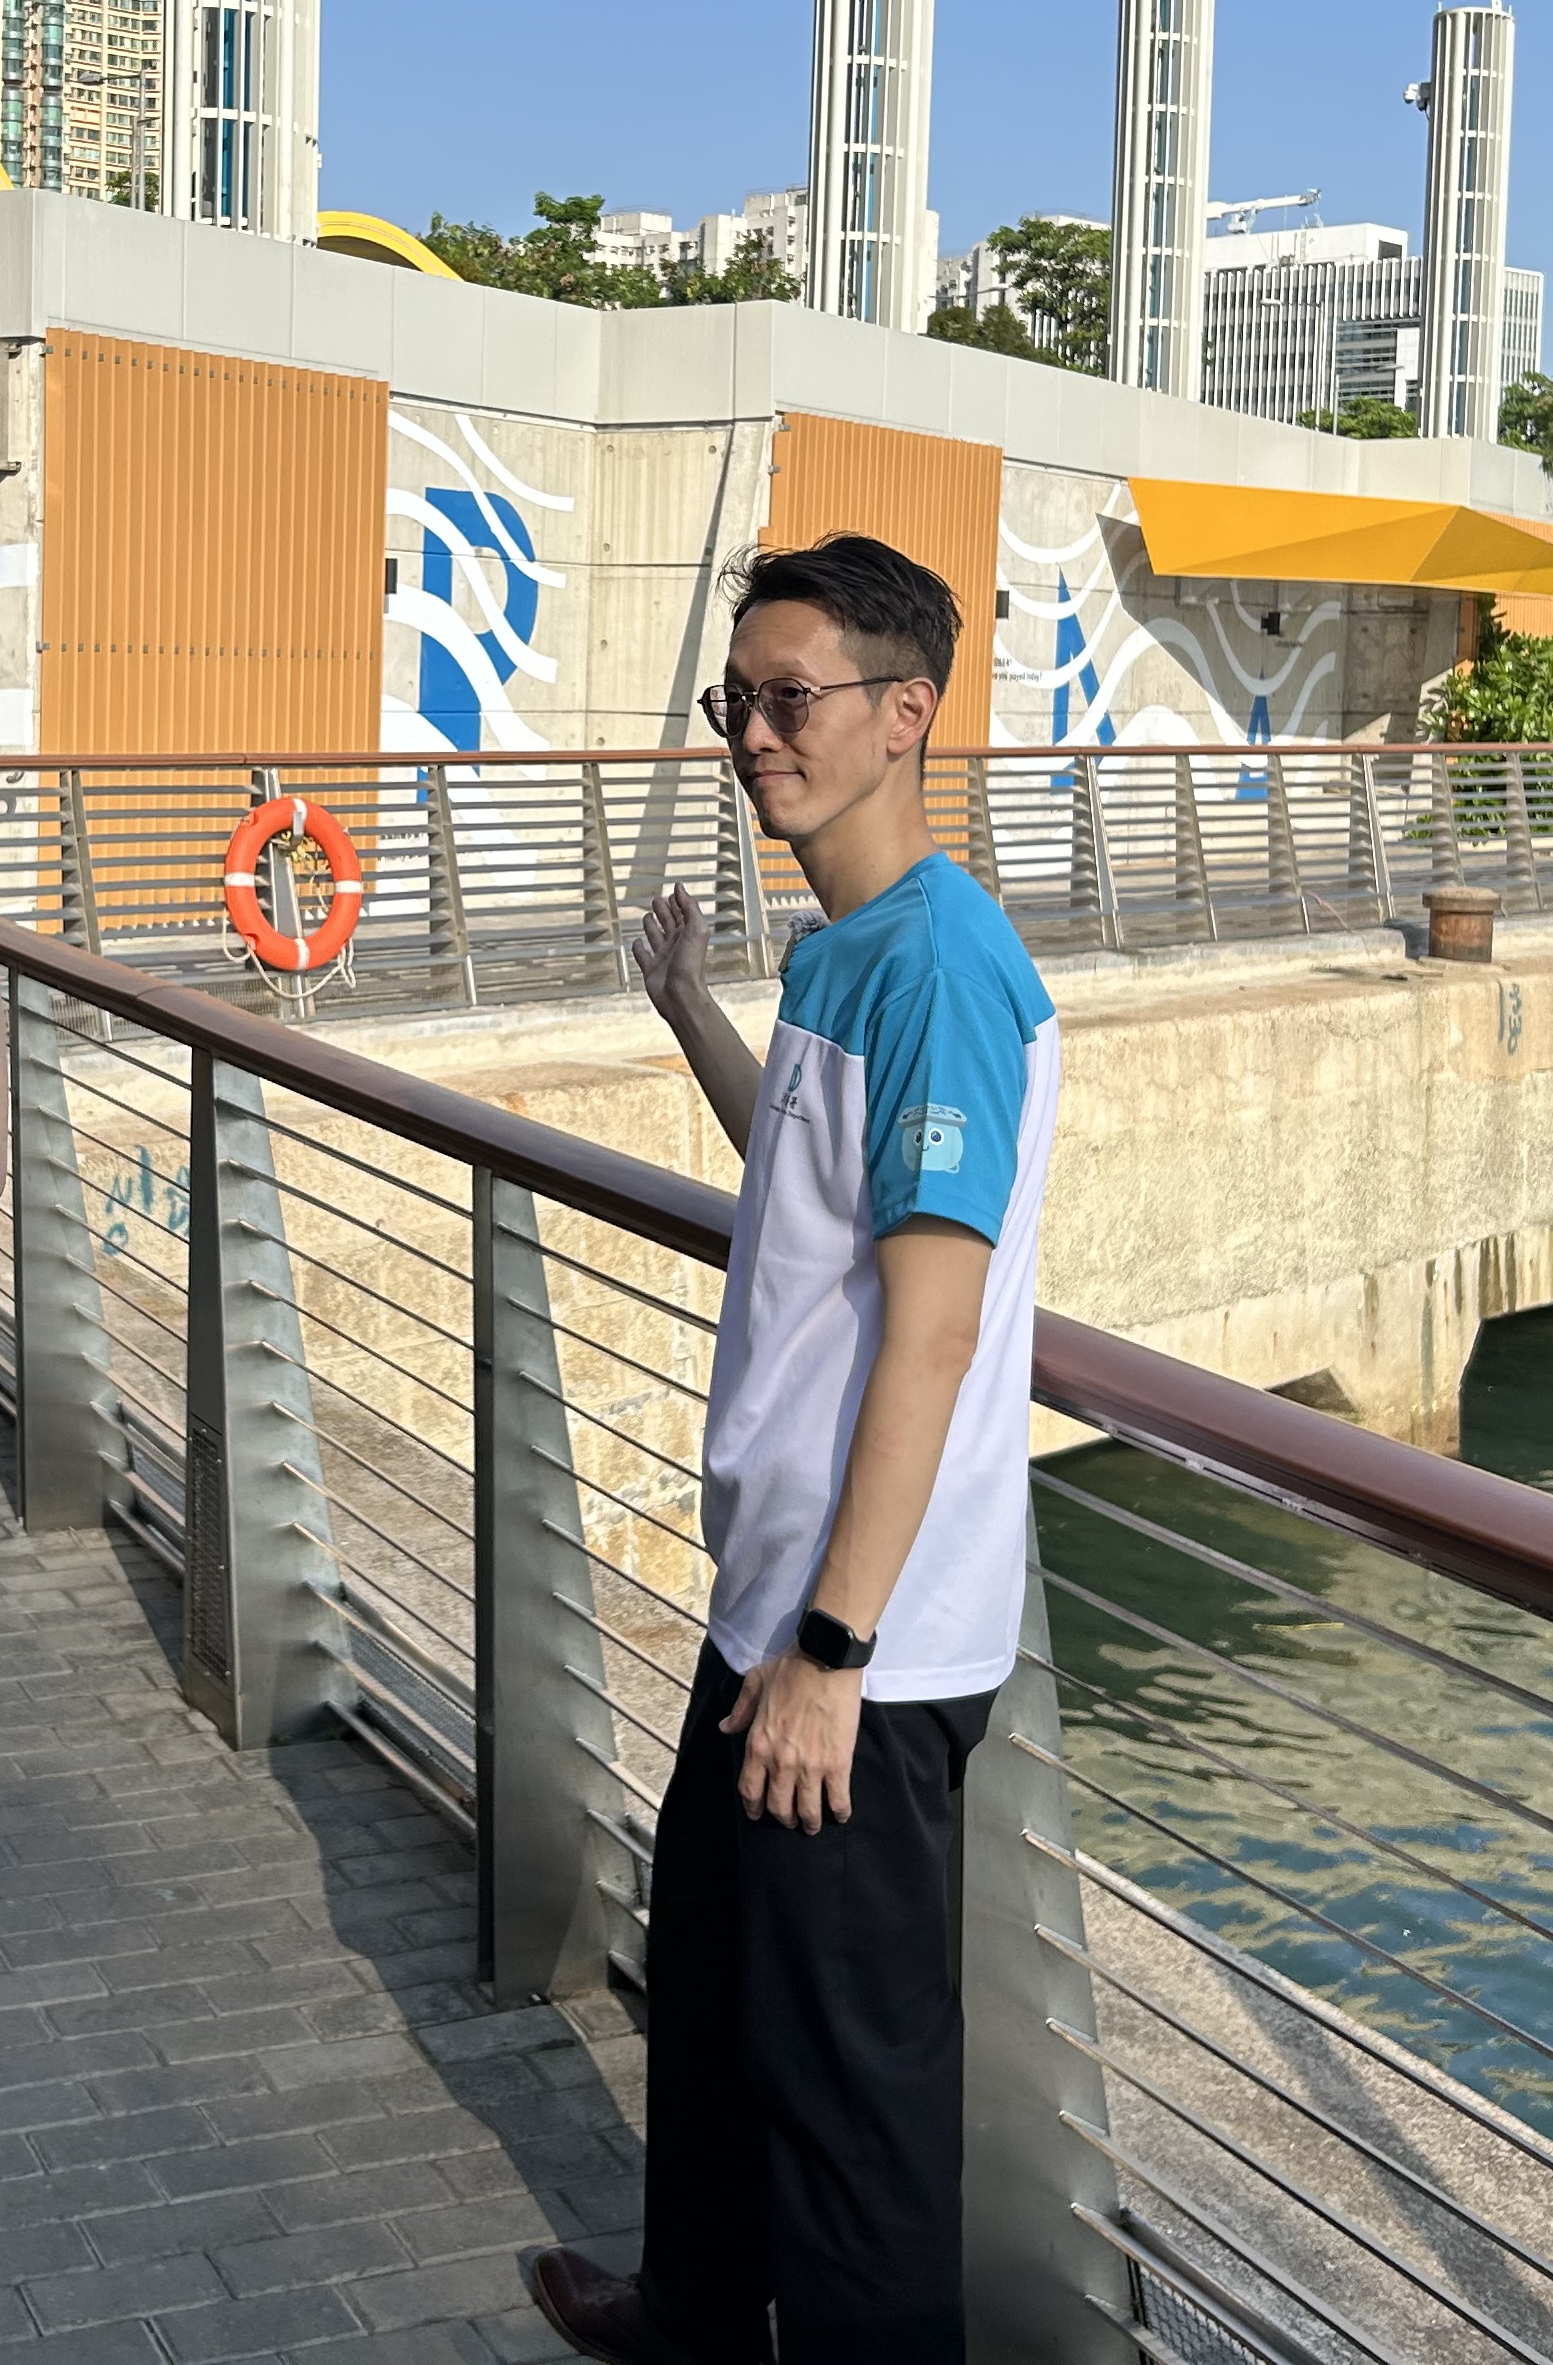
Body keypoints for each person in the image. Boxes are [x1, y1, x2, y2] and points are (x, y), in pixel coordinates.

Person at [527, 535, 1062, 2365]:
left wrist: (835, 1654)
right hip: (775, 1603)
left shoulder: (947, 972)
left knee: (857, 2111)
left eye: (792, 698)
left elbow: (933, 1323)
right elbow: (809, 1188)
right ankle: (694, 2308)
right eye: (734, 701)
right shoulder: (845, 952)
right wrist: (688, 1009)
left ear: (907, 715)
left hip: (865, 1648)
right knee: (725, 1994)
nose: (755, 733)